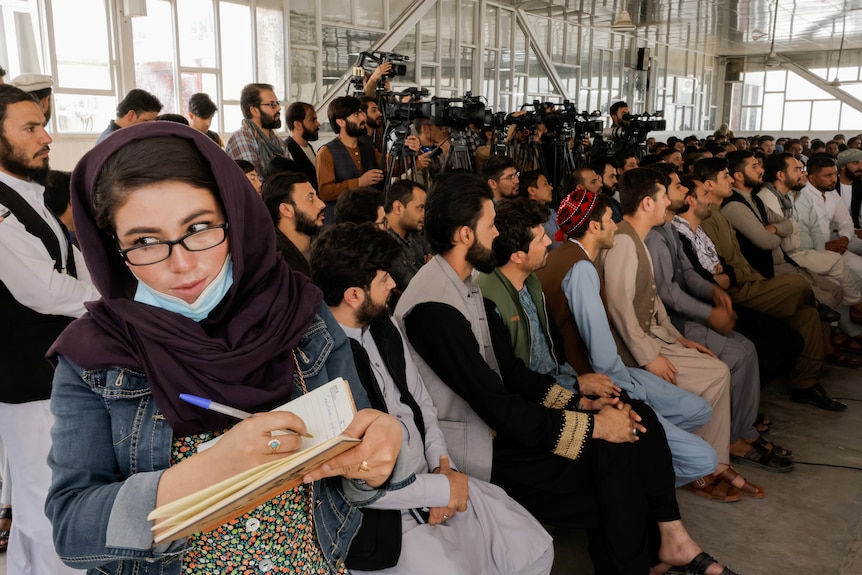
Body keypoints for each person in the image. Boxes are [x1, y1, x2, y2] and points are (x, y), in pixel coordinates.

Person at [45, 122, 407, 574]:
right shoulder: (95, 356)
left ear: (234, 218)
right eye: (144, 241)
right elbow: (73, 529)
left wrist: (382, 452)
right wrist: (215, 467)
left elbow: (359, 457)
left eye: (198, 227)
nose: (181, 264)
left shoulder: (301, 315)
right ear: (110, 246)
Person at [394, 171, 741, 575]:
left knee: (635, 421)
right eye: (490, 226)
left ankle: (671, 540)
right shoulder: (434, 308)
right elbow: (498, 406)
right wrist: (592, 427)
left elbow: (512, 375)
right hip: (474, 449)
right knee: (612, 462)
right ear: (465, 235)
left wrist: (581, 401)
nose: (497, 235)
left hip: (498, 427)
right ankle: (643, 559)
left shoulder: (463, 285)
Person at [311, 222, 554, 575]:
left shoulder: (383, 325)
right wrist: (438, 491)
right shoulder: (323, 363)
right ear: (353, 295)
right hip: (385, 515)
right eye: (383, 279)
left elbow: (421, 404)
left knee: (532, 547)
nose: (394, 284)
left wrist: (444, 464)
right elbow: (357, 483)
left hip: (435, 475)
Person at [486, 197, 720, 492]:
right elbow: (598, 353)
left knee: (698, 410)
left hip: (584, 377)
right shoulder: (575, 268)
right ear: (594, 226)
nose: (616, 226)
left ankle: (648, 461)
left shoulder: (539, 277)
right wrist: (625, 393)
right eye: (610, 219)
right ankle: (640, 479)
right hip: (586, 381)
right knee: (701, 456)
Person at [0, 84, 99, 575]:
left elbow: (77, 268)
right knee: (44, 497)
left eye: (42, 123)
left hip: (53, 368)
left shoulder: (33, 197)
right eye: (31, 128)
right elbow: (40, 288)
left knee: (41, 492)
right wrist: (112, 306)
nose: (47, 136)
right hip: (25, 377)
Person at [644, 167, 793, 473]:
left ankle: (745, 430)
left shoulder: (669, 229)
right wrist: (710, 312)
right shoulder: (655, 237)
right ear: (654, 198)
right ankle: (733, 439)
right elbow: (668, 294)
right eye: (675, 187)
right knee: (737, 356)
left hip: (688, 314)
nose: (684, 192)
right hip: (675, 324)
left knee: (748, 349)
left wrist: (714, 294)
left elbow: (687, 273)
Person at [695, 157, 844, 411]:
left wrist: (773, 233)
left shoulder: (725, 209)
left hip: (752, 279)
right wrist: (774, 236)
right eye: (725, 177)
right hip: (737, 290)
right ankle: (816, 303)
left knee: (807, 316)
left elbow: (786, 229)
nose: (731, 179)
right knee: (797, 283)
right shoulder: (718, 213)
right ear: (708, 186)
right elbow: (764, 243)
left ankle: (804, 385)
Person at [316, 96, 383, 224]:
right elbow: (325, 192)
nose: (363, 118)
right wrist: (358, 182)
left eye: (362, 113)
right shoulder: (326, 152)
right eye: (356, 114)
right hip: (338, 226)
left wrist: (412, 158)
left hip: (365, 223)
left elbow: (390, 167)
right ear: (341, 122)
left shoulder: (368, 149)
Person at [262, 171, 325, 277]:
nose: (321, 204)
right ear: (286, 209)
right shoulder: (279, 272)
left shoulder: (327, 245)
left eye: (316, 196)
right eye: (310, 198)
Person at [224, 83, 289, 177]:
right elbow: (254, 183)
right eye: (272, 104)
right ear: (254, 110)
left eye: (277, 103)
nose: (279, 108)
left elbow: (291, 177)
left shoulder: (279, 143)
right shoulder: (242, 138)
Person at [385, 179, 430, 294]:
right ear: (398, 207)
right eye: (420, 208)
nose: (424, 214)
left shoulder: (414, 233)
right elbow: (414, 287)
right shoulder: (385, 245)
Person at [96, 88, 162, 144]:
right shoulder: (113, 142)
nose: (149, 127)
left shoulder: (112, 137)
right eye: (146, 121)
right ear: (131, 115)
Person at [284, 101, 320, 189]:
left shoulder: (308, 146)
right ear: (298, 125)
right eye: (312, 120)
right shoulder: (287, 150)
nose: (318, 124)